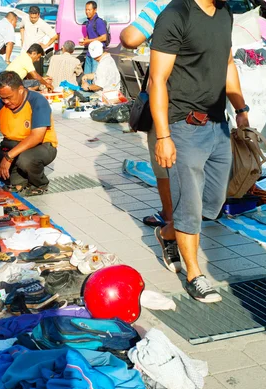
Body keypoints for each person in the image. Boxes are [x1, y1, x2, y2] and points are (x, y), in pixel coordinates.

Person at [149, 0, 250, 303]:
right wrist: (163, 136)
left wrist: (240, 107)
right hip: (184, 124)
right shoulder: (175, 15)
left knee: (213, 203)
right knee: (189, 203)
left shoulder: (224, 12)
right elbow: (157, 79)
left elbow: (228, 63)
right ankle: (194, 274)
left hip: (218, 124)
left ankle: (168, 233)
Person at [120, 0, 172, 229]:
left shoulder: (161, 6)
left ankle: (169, 216)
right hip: (203, 98)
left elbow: (130, 38)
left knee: (163, 161)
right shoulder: (213, 8)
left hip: (168, 96)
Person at [0, 71, 57, 196]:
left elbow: (37, 137)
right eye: (2, 97)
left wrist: (8, 157)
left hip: (41, 146)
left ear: (21, 90)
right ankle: (17, 179)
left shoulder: (38, 101)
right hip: (12, 145)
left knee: (26, 159)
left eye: (9, 97)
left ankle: (39, 183)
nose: (5, 101)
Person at [20, 5, 57, 75]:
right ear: (29, 14)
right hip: (25, 51)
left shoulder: (43, 24)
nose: (33, 19)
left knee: (35, 74)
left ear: (39, 15)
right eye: (31, 17)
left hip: (36, 55)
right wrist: (22, 40)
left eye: (35, 18)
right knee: (23, 73)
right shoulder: (25, 19)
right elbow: (21, 28)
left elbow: (55, 36)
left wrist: (46, 45)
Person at [79, 1, 108, 74]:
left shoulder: (99, 21)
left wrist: (88, 41)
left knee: (95, 77)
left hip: (97, 54)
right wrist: (85, 41)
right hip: (89, 53)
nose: (87, 12)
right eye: (86, 10)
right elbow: (90, 36)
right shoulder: (88, 22)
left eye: (89, 10)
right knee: (86, 77)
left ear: (95, 10)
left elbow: (104, 37)